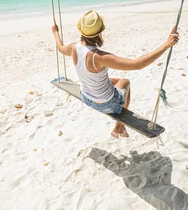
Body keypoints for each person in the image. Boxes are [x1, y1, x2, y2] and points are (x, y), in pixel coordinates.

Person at [51, 10, 179, 138]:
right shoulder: (100, 57)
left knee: (113, 81)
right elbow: (137, 64)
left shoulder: (73, 47)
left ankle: (119, 127)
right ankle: (119, 126)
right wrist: (166, 45)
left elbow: (60, 47)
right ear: (100, 32)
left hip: (85, 96)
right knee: (125, 82)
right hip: (105, 104)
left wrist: (55, 32)